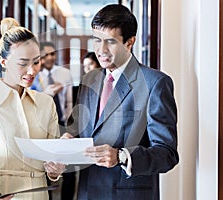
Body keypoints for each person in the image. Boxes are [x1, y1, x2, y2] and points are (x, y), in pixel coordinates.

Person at [64, 4, 179, 200]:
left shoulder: (155, 83)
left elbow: (167, 154)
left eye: (110, 42)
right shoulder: (89, 80)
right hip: (86, 193)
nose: (101, 50)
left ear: (129, 42)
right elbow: (78, 131)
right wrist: (67, 142)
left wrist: (121, 156)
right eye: (96, 40)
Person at [0, 18, 65, 200]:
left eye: (36, 62)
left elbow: (52, 160)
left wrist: (55, 170)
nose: (31, 71)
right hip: (0, 194)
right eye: (23, 63)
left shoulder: (47, 103)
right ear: (4, 62)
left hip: (39, 194)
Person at [31, 42, 75, 200]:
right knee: (46, 164)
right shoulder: (33, 75)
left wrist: (70, 123)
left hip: (63, 122)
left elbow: (69, 101)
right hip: (42, 125)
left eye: (52, 54)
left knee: (68, 164)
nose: (50, 58)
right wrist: (47, 93)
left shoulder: (64, 73)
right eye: (45, 55)